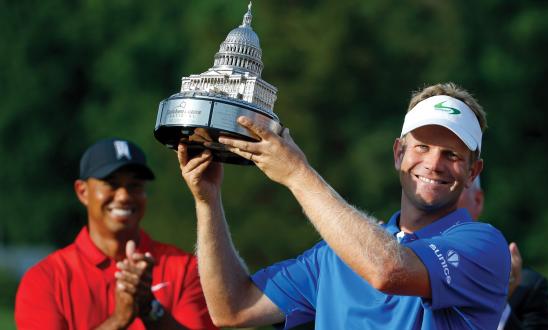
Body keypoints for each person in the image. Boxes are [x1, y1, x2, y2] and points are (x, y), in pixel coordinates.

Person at [177, 82, 511, 329]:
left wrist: (297, 173)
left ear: (473, 172)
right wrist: (208, 202)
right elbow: (233, 309)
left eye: (452, 155)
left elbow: (388, 270)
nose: (434, 164)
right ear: (399, 154)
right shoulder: (336, 253)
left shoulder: (483, 245)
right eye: (422, 147)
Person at [15, 138, 217, 330]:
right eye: (111, 183)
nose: (124, 196)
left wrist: (150, 308)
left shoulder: (185, 269)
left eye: (135, 185)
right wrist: (119, 320)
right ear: (82, 191)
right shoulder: (44, 279)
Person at [458, 177, 548, 330]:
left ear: (477, 201)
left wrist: (495, 303)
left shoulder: (528, 290)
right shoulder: (405, 276)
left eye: (453, 187)